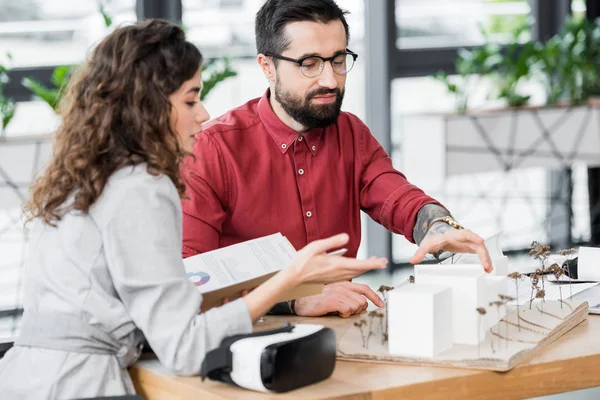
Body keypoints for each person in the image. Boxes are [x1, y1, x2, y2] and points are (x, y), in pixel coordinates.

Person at [0, 20, 387, 399]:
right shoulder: (142, 187)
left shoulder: (89, 177)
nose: (203, 114)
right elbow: (184, 347)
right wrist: (290, 279)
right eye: (190, 99)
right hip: (79, 384)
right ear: (146, 107)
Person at [181, 0, 493, 318]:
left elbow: (398, 197)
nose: (330, 80)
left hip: (342, 332)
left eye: (338, 60)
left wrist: (437, 225)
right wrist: (293, 300)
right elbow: (191, 281)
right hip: (246, 340)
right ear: (267, 67)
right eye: (310, 64)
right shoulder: (211, 150)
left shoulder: (351, 133)